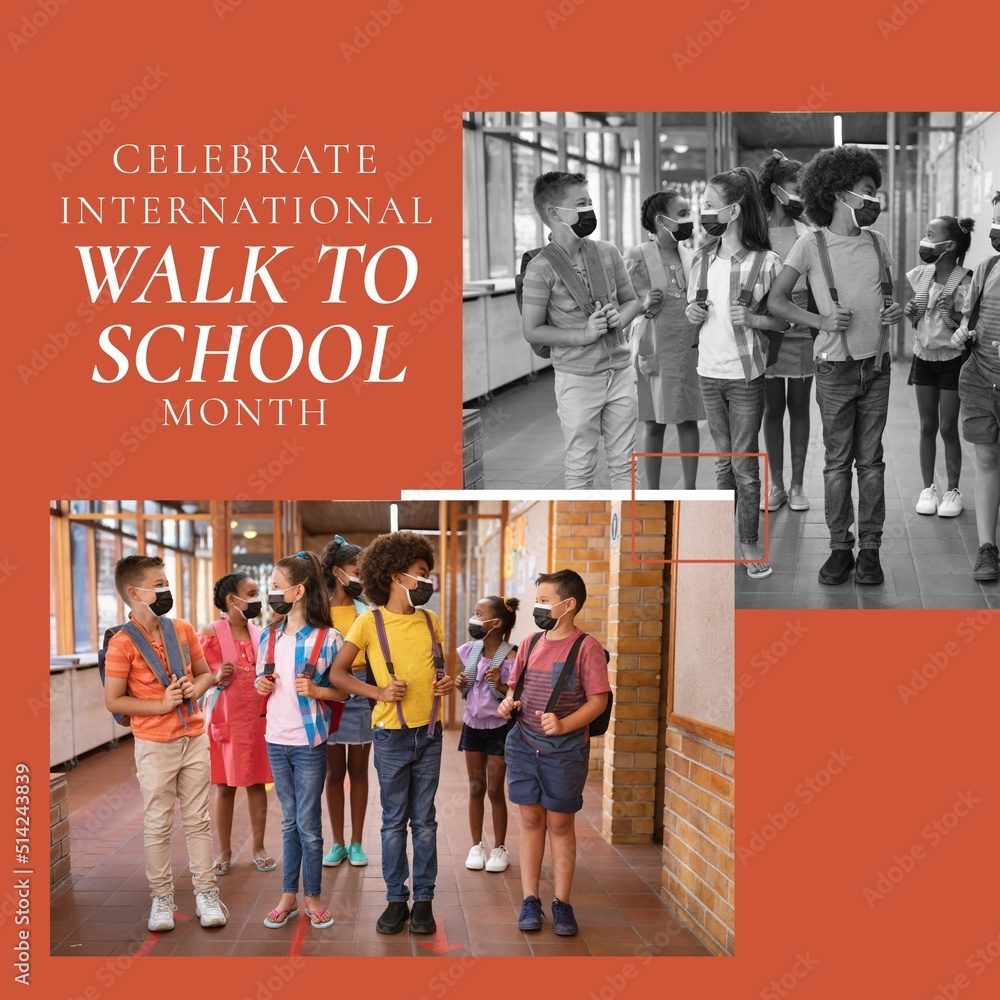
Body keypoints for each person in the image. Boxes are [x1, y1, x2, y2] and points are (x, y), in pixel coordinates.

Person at [768, 144, 904, 586]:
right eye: (868, 191)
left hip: (877, 367)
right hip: (834, 369)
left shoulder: (878, 243)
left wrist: (895, 310)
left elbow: (889, 296)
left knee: (872, 463)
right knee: (837, 462)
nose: (874, 200)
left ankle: (870, 550)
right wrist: (821, 319)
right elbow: (777, 300)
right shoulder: (811, 244)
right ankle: (839, 548)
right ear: (841, 192)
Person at [326, 531, 454, 936]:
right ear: (396, 575)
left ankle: (425, 900)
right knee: (395, 821)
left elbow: (440, 669)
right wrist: (378, 691)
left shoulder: (431, 621)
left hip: (429, 734)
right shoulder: (369, 622)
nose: (427, 581)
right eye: (421, 573)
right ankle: (396, 899)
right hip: (390, 736)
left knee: (426, 822)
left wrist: (447, 682)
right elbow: (338, 673)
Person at [103, 555, 228, 931]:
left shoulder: (183, 629)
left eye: (165, 583)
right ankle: (162, 898)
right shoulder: (121, 643)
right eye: (157, 585)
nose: (165, 590)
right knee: (157, 823)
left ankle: (207, 893)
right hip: (154, 745)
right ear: (134, 592)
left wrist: (196, 686)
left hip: (193, 738)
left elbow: (206, 674)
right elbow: (114, 701)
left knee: (198, 822)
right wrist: (160, 704)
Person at [685, 166, 788, 579]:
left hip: (746, 375)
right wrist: (691, 312)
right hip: (708, 371)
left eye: (710, 206)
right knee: (723, 463)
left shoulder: (768, 262)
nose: (704, 213)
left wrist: (756, 320)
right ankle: (721, 541)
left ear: (735, 209)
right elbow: (692, 311)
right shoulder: (702, 256)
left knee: (743, 464)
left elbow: (785, 322)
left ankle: (748, 543)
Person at [498, 570, 610, 938]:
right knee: (530, 820)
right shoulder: (529, 643)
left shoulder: (587, 647)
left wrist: (564, 724)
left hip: (565, 752)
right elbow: (515, 688)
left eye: (545, 599)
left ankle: (562, 902)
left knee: (560, 824)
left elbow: (598, 700)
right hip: (522, 744)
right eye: (538, 598)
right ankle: (531, 899)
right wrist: (508, 704)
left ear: (568, 604)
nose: (538, 606)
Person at [521, 171, 644, 489]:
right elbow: (533, 330)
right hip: (576, 380)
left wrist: (621, 317)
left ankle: (630, 536)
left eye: (590, 202)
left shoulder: (607, 252)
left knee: (626, 464)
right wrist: (583, 335)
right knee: (580, 466)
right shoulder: (541, 268)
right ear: (554, 214)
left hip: (620, 373)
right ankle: (582, 537)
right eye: (581, 204)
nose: (590, 210)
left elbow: (632, 301)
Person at [254, 551, 348, 930]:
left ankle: (313, 896)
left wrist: (318, 691)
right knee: (289, 821)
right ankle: (288, 896)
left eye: (276, 587)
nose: (271, 593)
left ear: (298, 590)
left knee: (308, 823)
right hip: (275, 739)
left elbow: (344, 693)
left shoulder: (329, 638)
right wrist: (259, 683)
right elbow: (260, 683)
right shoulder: (269, 635)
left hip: (309, 742)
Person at [624, 190, 704, 490]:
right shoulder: (637, 256)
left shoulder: (692, 256)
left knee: (689, 418)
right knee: (653, 421)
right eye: (682, 213)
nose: (688, 219)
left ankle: (690, 488)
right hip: (655, 347)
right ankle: (652, 491)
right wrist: (643, 303)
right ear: (661, 220)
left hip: (687, 349)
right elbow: (623, 302)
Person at [199, 572, 273, 877]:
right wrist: (216, 674)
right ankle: (224, 851)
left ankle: (258, 846)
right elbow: (198, 674)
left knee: (258, 784)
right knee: (225, 786)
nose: (257, 599)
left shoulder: (261, 634)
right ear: (232, 600)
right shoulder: (211, 633)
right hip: (227, 720)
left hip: (257, 720)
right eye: (252, 593)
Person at [904, 216, 974, 517]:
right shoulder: (922, 276)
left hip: (951, 360)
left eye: (930, 235)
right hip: (924, 357)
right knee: (927, 425)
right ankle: (927, 488)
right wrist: (911, 312)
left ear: (949, 246)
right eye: (924, 234)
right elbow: (917, 318)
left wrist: (954, 315)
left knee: (947, 426)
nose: (924, 240)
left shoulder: (966, 281)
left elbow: (969, 326)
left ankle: (953, 490)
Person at [757, 150, 814, 512]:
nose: (802, 198)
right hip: (767, 330)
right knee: (772, 409)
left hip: (804, 328)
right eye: (797, 189)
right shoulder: (756, 232)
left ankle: (796, 486)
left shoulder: (808, 232)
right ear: (777, 190)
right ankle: (775, 485)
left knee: (800, 408)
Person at [951, 191, 1000, 581]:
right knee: (986, 462)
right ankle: (987, 548)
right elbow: (970, 319)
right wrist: (962, 334)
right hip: (981, 380)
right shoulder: (987, 268)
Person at [318, 534, 373, 869]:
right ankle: (337, 842)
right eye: (357, 571)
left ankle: (356, 843)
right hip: (329, 693)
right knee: (334, 772)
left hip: (363, 688)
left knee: (360, 771)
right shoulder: (319, 610)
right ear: (338, 572)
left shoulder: (366, 610)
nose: (361, 579)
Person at [455, 595, 518, 874]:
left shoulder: (513, 656)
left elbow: (516, 696)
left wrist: (502, 685)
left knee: (494, 789)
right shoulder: (470, 651)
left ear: (496, 623)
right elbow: (467, 691)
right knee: (475, 787)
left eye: (479, 614)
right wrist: (460, 684)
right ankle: (476, 845)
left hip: (499, 729)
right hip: (473, 726)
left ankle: (500, 847)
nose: (474, 618)